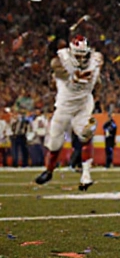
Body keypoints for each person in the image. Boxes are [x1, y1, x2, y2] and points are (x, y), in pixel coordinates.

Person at [36, 35, 102, 191]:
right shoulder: (62, 60)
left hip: (82, 105)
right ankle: (49, 171)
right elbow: (56, 66)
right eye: (77, 55)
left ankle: (86, 176)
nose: (81, 59)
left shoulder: (94, 60)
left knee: (86, 135)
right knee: (54, 144)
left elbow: (97, 83)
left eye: (83, 55)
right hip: (64, 107)